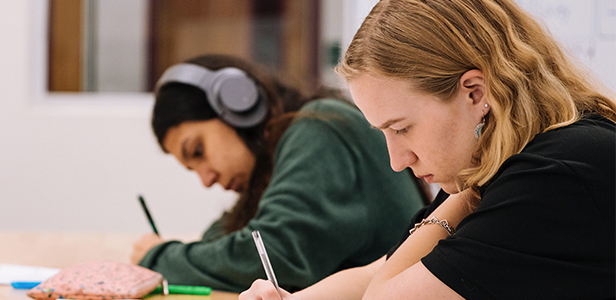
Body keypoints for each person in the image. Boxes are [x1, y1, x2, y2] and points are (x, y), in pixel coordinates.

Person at [239, 0, 616, 299]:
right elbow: (384, 269)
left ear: (476, 92)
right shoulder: (512, 159)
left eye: (402, 128)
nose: (397, 160)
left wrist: (468, 193)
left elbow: (384, 296)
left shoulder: (556, 173)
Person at [129, 54, 428, 293]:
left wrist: (157, 257)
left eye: (198, 151)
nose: (207, 180)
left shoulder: (320, 130)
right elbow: (218, 242)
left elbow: (272, 255)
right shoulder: (277, 158)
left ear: (237, 102)